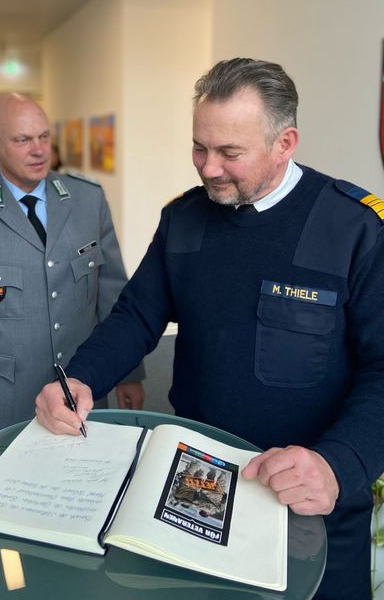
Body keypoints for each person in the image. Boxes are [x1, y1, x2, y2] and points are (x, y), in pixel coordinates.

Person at [35, 58, 384, 599]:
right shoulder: (185, 218)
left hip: (310, 496)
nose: (209, 168)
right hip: (198, 481)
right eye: (200, 147)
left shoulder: (356, 229)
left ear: (285, 142)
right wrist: (81, 377)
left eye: (230, 153)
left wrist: (341, 464)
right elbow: (138, 314)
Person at [0, 94, 144, 432]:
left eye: (44, 137)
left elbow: (113, 294)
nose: (39, 150)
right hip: (5, 400)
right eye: (22, 140)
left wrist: (128, 374)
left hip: (82, 388)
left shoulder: (87, 199)